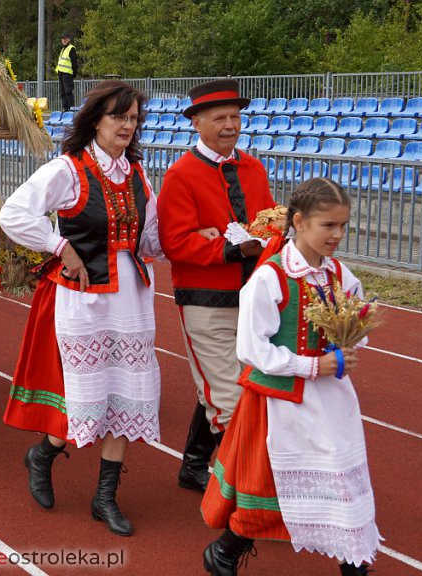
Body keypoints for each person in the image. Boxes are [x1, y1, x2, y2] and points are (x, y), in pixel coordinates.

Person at [0, 80, 161, 537]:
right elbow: (13, 213)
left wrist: (199, 237)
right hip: (84, 299)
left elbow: (150, 240)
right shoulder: (68, 170)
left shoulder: (139, 174)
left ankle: (105, 497)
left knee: (126, 395)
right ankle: (45, 452)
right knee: (85, 397)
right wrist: (57, 244)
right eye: (118, 117)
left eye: (133, 119)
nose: (127, 126)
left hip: (131, 297)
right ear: (96, 120)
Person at [200, 178, 381, 576]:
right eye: (328, 225)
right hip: (281, 403)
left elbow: (357, 326)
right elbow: (251, 349)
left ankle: (355, 566)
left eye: (342, 226)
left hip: (332, 401)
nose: (337, 235)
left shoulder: (339, 275)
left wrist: (350, 342)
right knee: (269, 487)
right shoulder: (270, 277)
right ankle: (225, 551)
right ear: (299, 221)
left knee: (341, 486)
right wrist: (312, 366)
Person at [157, 78, 276, 494]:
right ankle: (244, 498)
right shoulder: (180, 175)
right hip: (206, 302)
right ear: (197, 123)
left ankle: (193, 466)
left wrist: (266, 238)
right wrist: (231, 248)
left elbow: (267, 224)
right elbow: (175, 243)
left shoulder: (254, 167)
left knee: (238, 385)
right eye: (220, 118)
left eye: (235, 117)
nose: (230, 125)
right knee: (229, 399)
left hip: (254, 300)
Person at [55, 33, 79, 112]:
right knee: (62, 92)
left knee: (68, 91)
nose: (64, 40)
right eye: (62, 39)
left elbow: (74, 62)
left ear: (69, 39)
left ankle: (71, 109)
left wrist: (74, 73)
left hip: (67, 73)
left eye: (65, 39)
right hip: (61, 73)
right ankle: (65, 109)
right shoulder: (63, 49)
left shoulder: (71, 48)